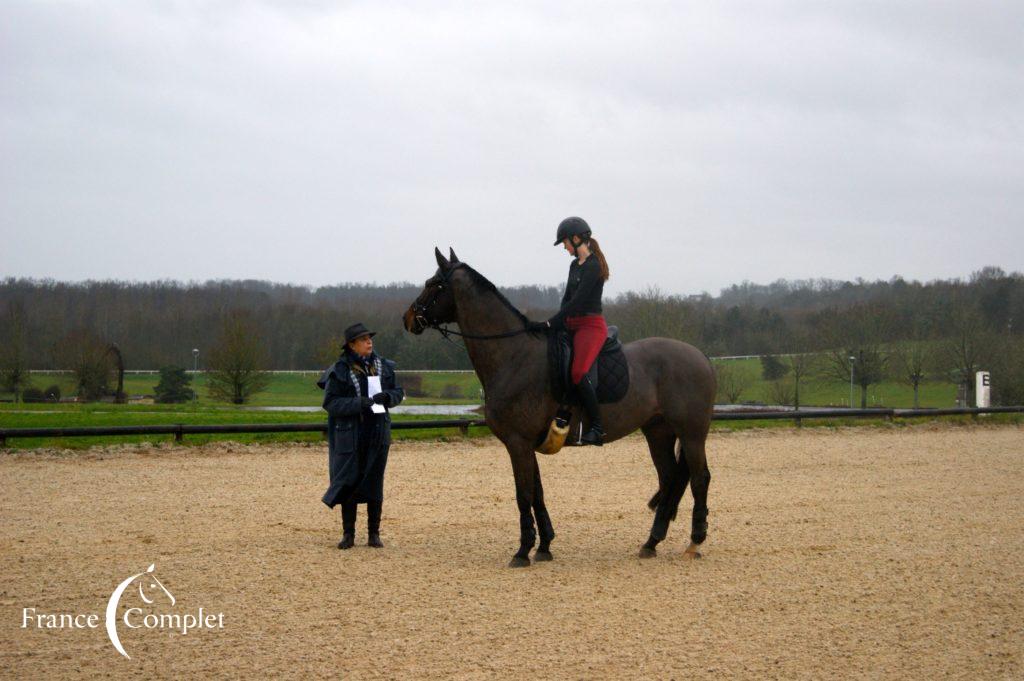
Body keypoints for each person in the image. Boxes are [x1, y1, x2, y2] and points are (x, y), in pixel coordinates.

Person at [317, 322, 404, 549]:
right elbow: (331, 402)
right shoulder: (340, 370)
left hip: (378, 432)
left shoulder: (383, 366)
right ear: (352, 345)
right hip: (350, 436)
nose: (369, 342)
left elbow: (398, 392)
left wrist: (389, 398)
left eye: (369, 338)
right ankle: (348, 534)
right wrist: (359, 404)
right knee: (349, 483)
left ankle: (374, 533)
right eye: (364, 339)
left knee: (375, 482)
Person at [530, 216, 611, 445]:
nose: (565, 248)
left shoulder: (594, 265)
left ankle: (597, 428)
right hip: (571, 324)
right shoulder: (574, 265)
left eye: (565, 243)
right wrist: (554, 324)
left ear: (576, 239)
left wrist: (550, 322)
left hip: (590, 326)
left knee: (578, 373)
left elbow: (578, 303)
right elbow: (567, 301)